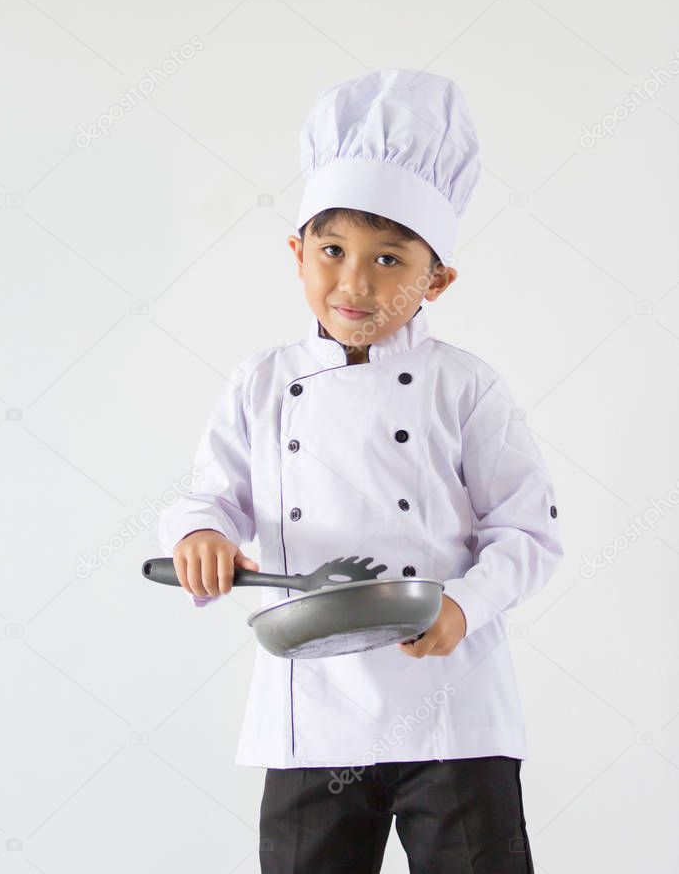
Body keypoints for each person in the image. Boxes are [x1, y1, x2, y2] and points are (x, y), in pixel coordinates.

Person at [156, 68, 564, 873]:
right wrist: (199, 533)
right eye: (333, 249)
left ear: (437, 280)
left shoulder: (464, 383)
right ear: (295, 249)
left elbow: (528, 529)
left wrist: (466, 606)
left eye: (388, 259)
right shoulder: (261, 382)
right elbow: (208, 496)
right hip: (314, 710)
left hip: (454, 703)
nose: (354, 282)